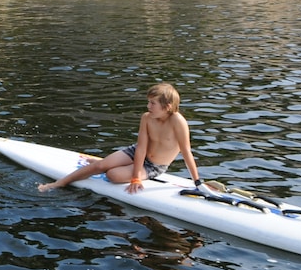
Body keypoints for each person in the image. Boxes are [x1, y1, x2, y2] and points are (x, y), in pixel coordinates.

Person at [38, 82, 204, 194]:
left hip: (154, 166)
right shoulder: (147, 117)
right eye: (148, 102)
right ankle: (60, 182)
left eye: (153, 103)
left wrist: (197, 182)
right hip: (136, 152)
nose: (148, 106)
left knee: (113, 175)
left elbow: (186, 152)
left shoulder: (177, 122)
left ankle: (115, 165)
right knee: (102, 165)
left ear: (167, 107)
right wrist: (135, 176)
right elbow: (141, 147)